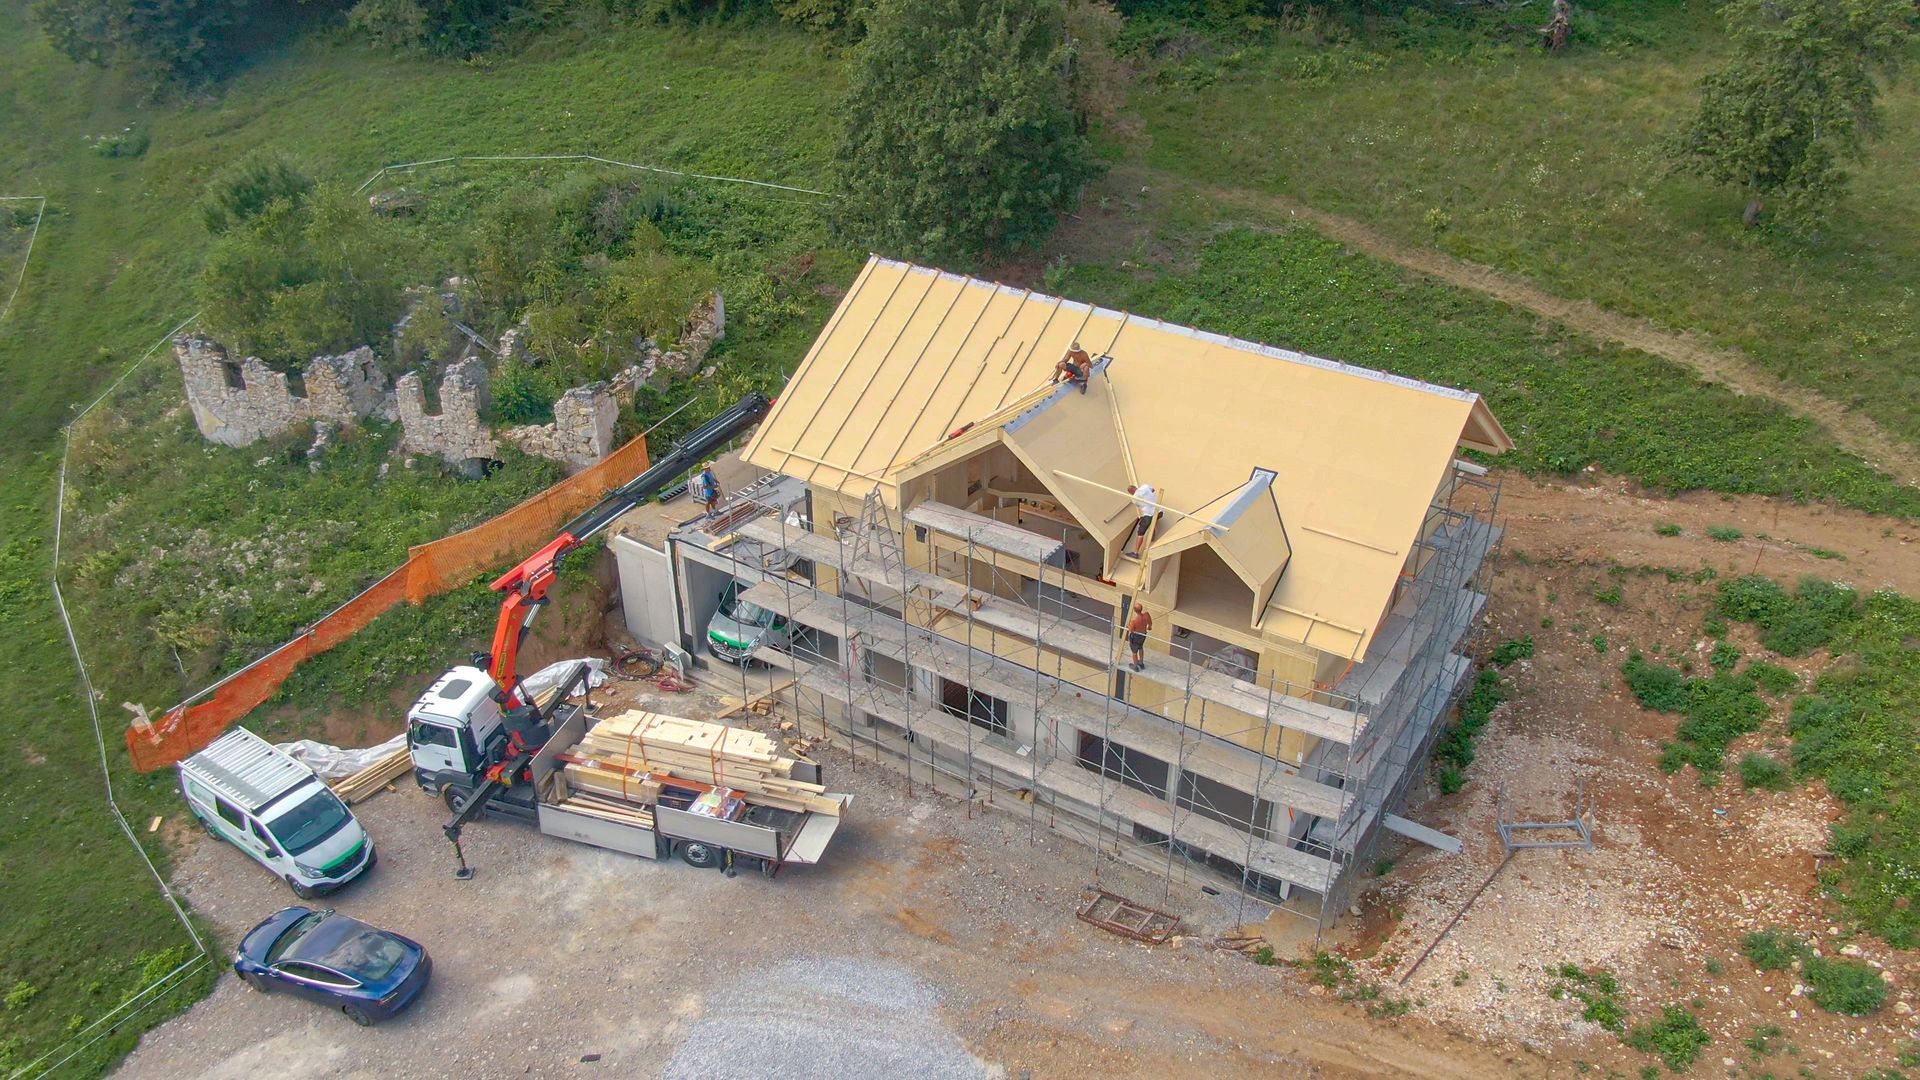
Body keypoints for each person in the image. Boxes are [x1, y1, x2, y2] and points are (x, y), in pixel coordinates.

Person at [1126, 482, 1160, 556]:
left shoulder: (1134, 499)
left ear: (1131, 493)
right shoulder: (1145, 486)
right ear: (1135, 487)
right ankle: (1153, 530)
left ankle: (1135, 552)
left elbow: (1140, 505)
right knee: (1153, 519)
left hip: (1148, 514)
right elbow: (1153, 490)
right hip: (1159, 511)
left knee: (1141, 532)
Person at [1125, 605, 1153, 672]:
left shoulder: (1134, 622)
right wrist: (1148, 627)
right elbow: (1150, 625)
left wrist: (1128, 626)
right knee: (1140, 647)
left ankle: (1135, 666)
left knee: (1134, 651)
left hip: (1135, 636)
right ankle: (1141, 663)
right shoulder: (1147, 615)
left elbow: (1131, 630)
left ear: (1135, 610)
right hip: (1143, 635)